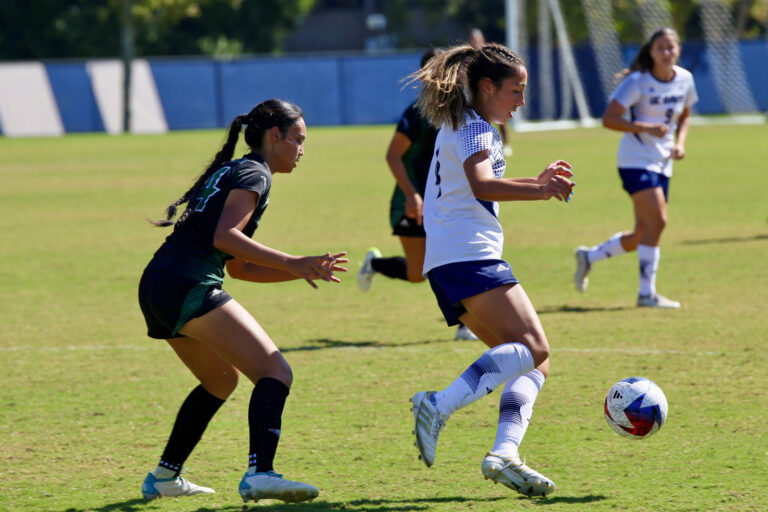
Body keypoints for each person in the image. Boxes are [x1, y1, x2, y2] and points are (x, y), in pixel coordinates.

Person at [138, 99, 347, 504]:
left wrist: (301, 270)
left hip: (158, 284)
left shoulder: (234, 169)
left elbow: (240, 268)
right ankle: (260, 473)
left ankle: (165, 476)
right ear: (275, 136)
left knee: (220, 380)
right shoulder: (256, 173)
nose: (302, 150)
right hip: (186, 283)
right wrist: (293, 260)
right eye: (298, 140)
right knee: (275, 372)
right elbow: (225, 238)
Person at [405, 43, 575, 497]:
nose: (522, 100)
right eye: (515, 90)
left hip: (451, 261)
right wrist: (541, 193)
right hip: (470, 256)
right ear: (487, 87)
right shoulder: (477, 128)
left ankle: (505, 453)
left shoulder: (465, 123)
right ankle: (436, 404)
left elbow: (479, 184)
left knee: (529, 363)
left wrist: (537, 181)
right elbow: (482, 184)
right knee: (535, 347)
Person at [357, 48, 478, 341]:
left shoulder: (459, 112)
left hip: (444, 202)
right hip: (413, 202)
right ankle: (374, 263)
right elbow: (392, 155)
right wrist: (412, 195)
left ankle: (466, 324)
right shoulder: (417, 113)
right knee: (417, 273)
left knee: (450, 258)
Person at [573, 28, 697, 308]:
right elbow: (609, 119)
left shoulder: (685, 79)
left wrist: (680, 143)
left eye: (671, 47)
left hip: (663, 162)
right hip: (635, 160)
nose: (666, 52)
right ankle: (646, 294)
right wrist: (644, 127)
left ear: (678, 50)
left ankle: (588, 257)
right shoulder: (638, 82)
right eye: (660, 48)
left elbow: (685, 115)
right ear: (650, 52)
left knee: (643, 233)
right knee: (659, 221)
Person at [468, 28, 513, 157]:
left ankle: (506, 144)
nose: (475, 42)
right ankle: (483, 145)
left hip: (492, 91)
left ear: (483, 39)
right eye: (473, 40)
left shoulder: (490, 55)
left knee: (500, 117)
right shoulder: (469, 57)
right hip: (478, 93)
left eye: (477, 39)